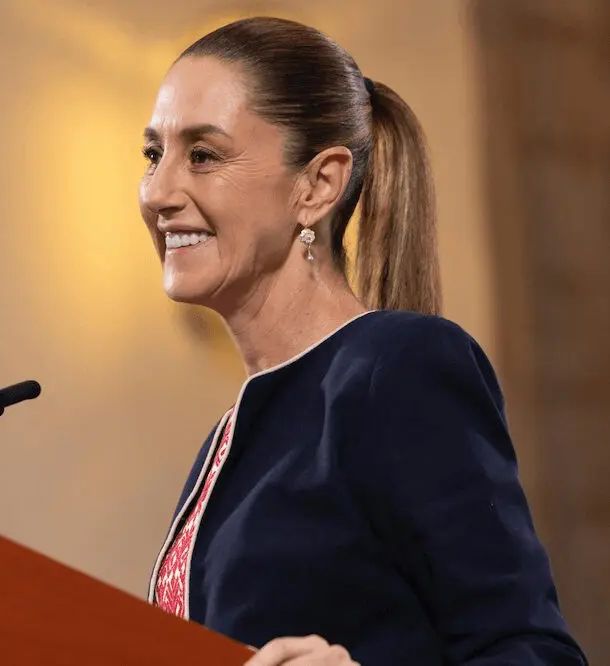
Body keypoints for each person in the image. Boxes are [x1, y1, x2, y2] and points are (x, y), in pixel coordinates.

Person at [137, 16, 586, 666]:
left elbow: (531, 651)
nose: (158, 193)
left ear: (318, 185)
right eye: (154, 155)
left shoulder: (398, 368)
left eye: (202, 155)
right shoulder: (228, 439)